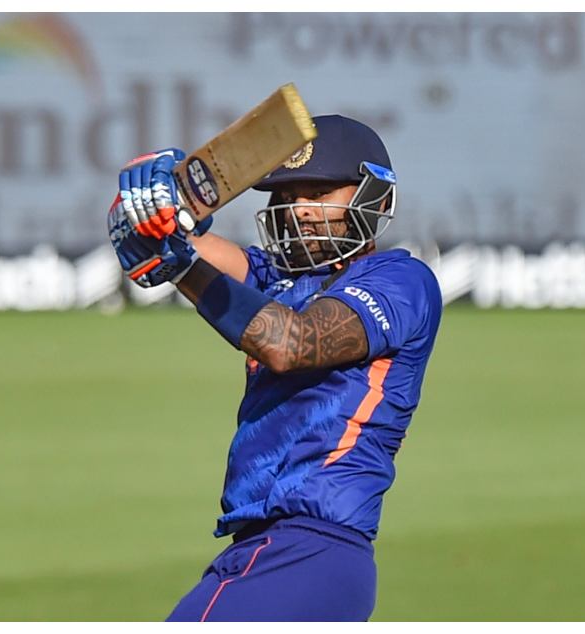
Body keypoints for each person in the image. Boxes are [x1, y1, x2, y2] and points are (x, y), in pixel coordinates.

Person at [106, 114, 443, 621]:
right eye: (290, 195)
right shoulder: (278, 280)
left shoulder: (400, 279)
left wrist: (180, 265)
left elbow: (292, 343)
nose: (301, 209)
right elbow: (189, 251)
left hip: (308, 549)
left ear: (374, 197)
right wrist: (155, 218)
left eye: (320, 193)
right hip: (268, 552)